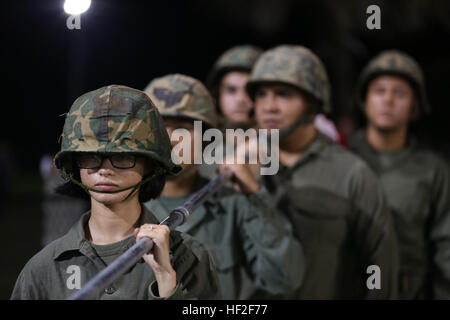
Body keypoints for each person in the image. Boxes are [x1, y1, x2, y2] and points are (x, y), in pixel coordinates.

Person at [11, 85, 220, 299]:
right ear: (76, 164)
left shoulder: (188, 257)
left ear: (149, 163)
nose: (104, 170)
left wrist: (166, 279)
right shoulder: (43, 270)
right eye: (91, 156)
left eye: (122, 157)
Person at [243, 45, 399, 299]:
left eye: (283, 94)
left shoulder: (353, 174)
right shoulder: (237, 165)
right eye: (261, 94)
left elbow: (380, 265)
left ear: (313, 102)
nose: (268, 106)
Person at [143, 73, 305, 299]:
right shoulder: (123, 204)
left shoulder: (231, 202)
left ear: (206, 139)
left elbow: (284, 278)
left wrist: (256, 195)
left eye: (182, 129)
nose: (170, 139)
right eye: (160, 127)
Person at [349, 50, 450, 299]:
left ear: (414, 106)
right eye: (379, 91)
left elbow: (446, 245)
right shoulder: (340, 157)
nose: (388, 100)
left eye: (400, 93)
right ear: (365, 101)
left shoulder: (432, 169)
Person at [207, 45, 262, 130]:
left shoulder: (280, 141)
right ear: (217, 95)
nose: (240, 100)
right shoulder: (200, 139)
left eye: (249, 91)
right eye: (231, 90)